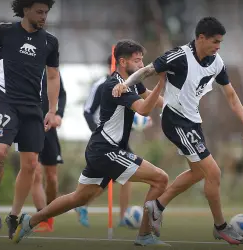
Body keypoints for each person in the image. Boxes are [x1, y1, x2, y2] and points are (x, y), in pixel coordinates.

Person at [112, 17, 243, 245]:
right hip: (175, 120)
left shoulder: (216, 62)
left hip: (193, 122)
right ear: (201, 38)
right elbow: (148, 71)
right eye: (215, 42)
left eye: (220, 42)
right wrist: (126, 83)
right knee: (214, 173)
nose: (218, 47)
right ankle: (220, 227)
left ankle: (157, 205)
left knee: (200, 172)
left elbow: (230, 95)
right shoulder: (178, 56)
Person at [13, 39, 170, 246]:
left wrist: (176, 106)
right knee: (160, 179)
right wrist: (161, 82)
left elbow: (151, 98)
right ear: (122, 62)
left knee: (78, 198)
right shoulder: (115, 85)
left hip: (101, 150)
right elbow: (143, 109)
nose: (142, 65)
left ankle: (30, 220)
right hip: (107, 150)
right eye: (137, 61)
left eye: (142, 60)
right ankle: (144, 235)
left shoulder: (132, 82)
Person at [0, 0, 60, 239]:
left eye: (46, 12)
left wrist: (52, 110)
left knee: (31, 165)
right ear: (25, 10)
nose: (44, 16)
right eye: (39, 11)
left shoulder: (50, 42)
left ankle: (13, 215)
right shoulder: (4, 31)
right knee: (0, 151)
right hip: (6, 102)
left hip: (33, 108)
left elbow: (53, 77)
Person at [76, 55, 155, 228]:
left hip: (118, 140)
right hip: (103, 140)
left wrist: (140, 123)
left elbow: (127, 113)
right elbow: (88, 111)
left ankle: (120, 216)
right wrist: (98, 131)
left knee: (119, 177)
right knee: (110, 179)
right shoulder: (102, 85)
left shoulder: (129, 85)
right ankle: (83, 204)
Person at [31, 72, 66, 232]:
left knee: (51, 177)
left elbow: (62, 94)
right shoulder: (26, 64)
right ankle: (42, 218)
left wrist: (59, 115)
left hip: (49, 128)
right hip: (29, 126)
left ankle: (49, 217)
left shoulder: (51, 70)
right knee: (36, 172)